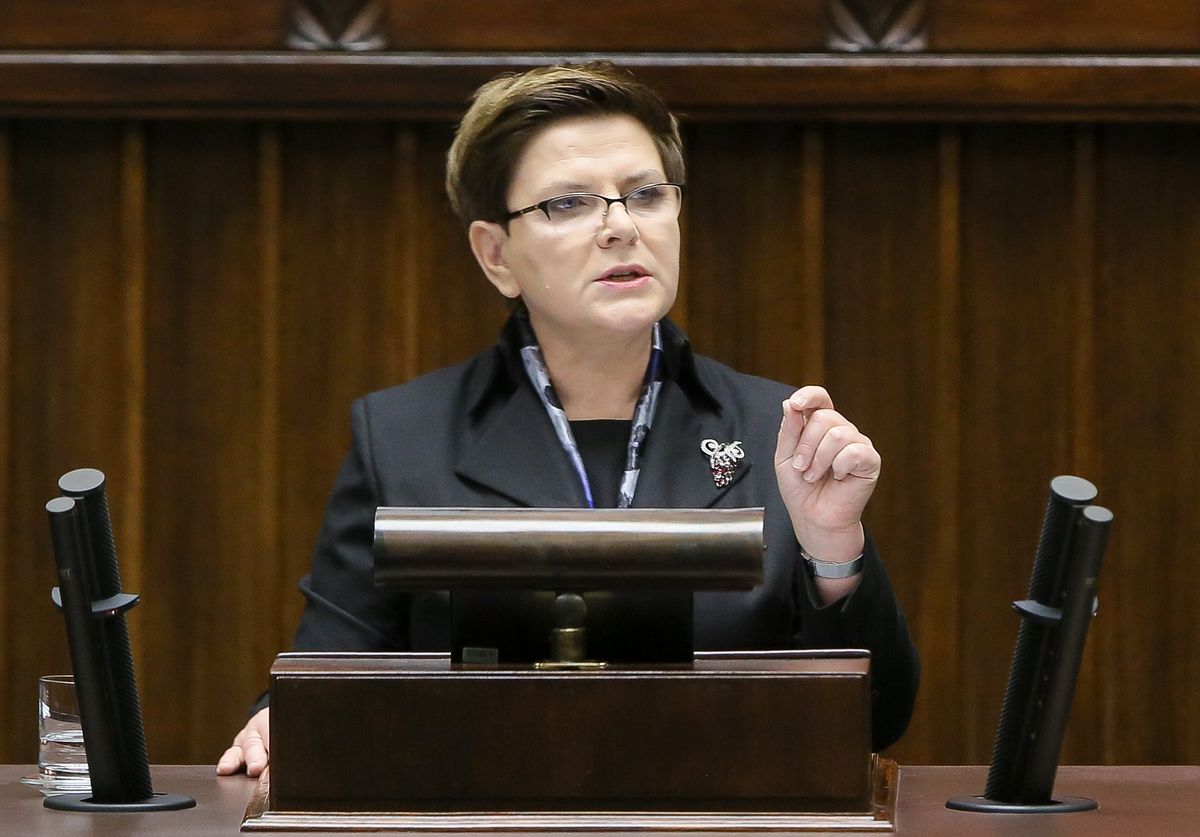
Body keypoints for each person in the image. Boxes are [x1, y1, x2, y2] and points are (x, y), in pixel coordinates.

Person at [218, 61, 919, 778]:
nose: (620, 227)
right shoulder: (403, 437)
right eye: (568, 204)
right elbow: (329, 672)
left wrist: (832, 550)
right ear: (497, 255)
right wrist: (283, 716)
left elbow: (877, 719)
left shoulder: (779, 433)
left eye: (646, 195)